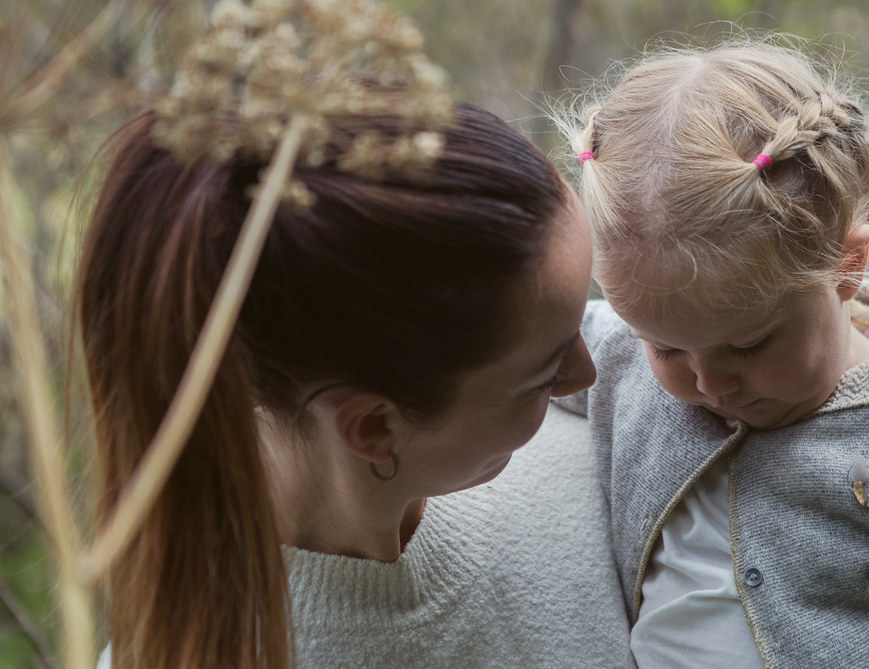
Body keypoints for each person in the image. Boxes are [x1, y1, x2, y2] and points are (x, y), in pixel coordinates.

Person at [80, 1, 631, 667]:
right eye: (543, 374)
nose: (590, 372)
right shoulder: (186, 650)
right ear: (372, 427)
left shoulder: (621, 441)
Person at [557, 37, 869, 667]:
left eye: (748, 344)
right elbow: (501, 343)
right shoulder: (618, 354)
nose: (712, 383)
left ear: (846, 263)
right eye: (666, 348)